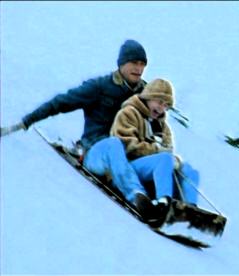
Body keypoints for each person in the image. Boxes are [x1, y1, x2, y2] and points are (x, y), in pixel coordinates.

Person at [0, 39, 170, 227]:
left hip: (127, 161)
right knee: (114, 144)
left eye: (142, 64)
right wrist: (27, 120)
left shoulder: (144, 94)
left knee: (163, 159)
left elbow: (158, 123)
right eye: (134, 63)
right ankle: (138, 200)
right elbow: (62, 101)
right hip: (96, 152)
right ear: (121, 63)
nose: (138, 68)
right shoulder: (100, 86)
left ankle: (170, 207)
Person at [110, 78, 199, 210]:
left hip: (151, 168)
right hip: (127, 166)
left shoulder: (163, 127)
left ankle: (191, 208)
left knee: (189, 171)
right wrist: (156, 149)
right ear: (148, 97)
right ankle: (163, 202)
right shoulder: (129, 113)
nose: (161, 108)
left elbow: (168, 150)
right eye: (159, 102)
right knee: (163, 159)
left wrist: (176, 161)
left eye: (166, 105)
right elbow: (126, 145)